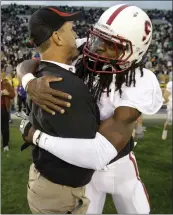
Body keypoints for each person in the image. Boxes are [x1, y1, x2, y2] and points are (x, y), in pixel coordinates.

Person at [18, 4, 163, 214]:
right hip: (83, 170)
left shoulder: (140, 82)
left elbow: (99, 153)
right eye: (99, 37)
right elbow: (31, 62)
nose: (99, 46)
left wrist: (36, 136)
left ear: (133, 51)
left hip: (118, 165)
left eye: (111, 44)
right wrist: (29, 81)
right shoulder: (87, 47)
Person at [19, 6, 102, 214]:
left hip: (45, 181)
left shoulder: (40, 74)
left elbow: (28, 65)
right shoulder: (67, 86)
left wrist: (27, 79)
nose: (76, 35)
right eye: (71, 30)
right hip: (60, 194)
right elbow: (94, 152)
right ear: (57, 37)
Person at [1, 74, 15, 152]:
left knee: (5, 127)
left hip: (3, 109)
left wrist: (6, 93)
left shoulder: (6, 83)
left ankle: (5, 145)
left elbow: (13, 94)